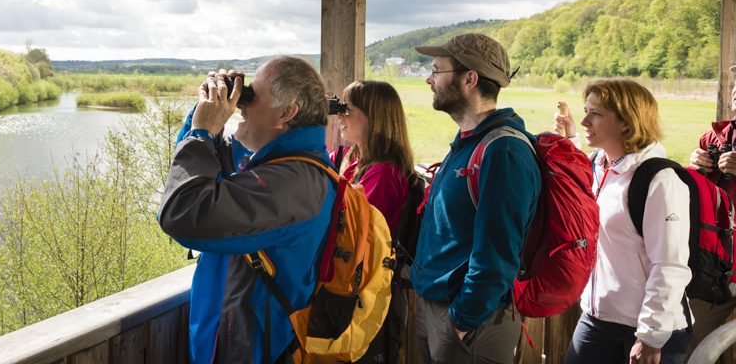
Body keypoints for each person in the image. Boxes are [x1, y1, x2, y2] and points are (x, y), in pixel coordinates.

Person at [158, 56, 335, 364]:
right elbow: (196, 174)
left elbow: (183, 212)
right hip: (233, 342)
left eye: (252, 95)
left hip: (253, 352)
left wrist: (201, 132)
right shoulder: (280, 165)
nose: (242, 103)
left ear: (287, 113)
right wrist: (204, 115)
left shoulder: (293, 185)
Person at [410, 33, 541, 364]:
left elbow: (498, 253)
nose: (429, 79)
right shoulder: (469, 142)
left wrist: (461, 321)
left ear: (469, 79)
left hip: (472, 323)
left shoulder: (503, 151)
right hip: (442, 309)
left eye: (437, 70)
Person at [557, 79, 693, 364]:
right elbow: (579, 185)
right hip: (597, 318)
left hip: (648, 328)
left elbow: (669, 264)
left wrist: (650, 336)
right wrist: (570, 141)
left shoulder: (660, 181)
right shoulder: (598, 165)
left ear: (627, 124)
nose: (584, 121)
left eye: (596, 114)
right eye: (585, 111)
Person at [333, 80, 415, 363]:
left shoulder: (383, 174)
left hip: (367, 296)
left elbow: (355, 234)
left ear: (374, 118)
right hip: (354, 288)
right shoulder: (355, 160)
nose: (339, 116)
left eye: (347, 109)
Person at [686, 65, 736, 355]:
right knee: (688, 342)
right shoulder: (715, 137)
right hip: (718, 266)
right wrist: (696, 167)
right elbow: (701, 198)